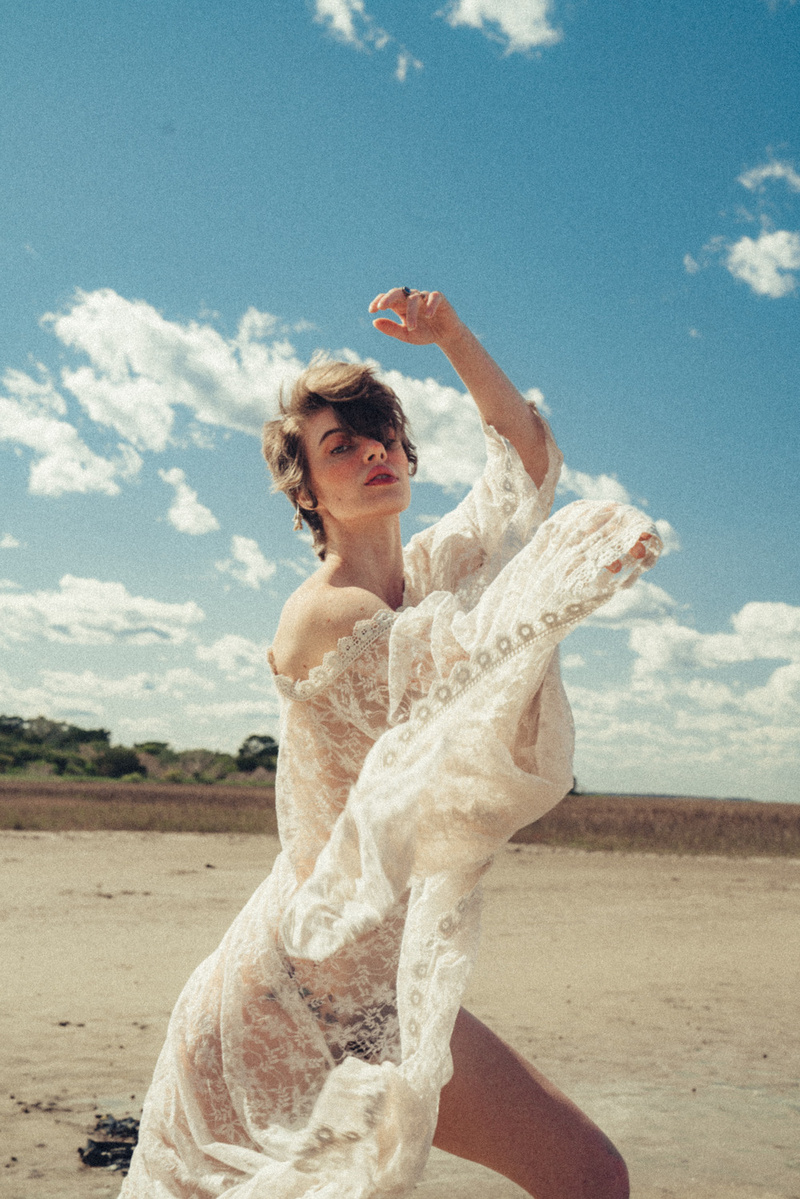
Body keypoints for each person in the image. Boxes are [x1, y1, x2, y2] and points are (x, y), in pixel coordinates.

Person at [121, 288, 660, 1199]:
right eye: (342, 444)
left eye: (383, 434)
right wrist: (567, 565)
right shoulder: (327, 616)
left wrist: (449, 335)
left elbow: (525, 459)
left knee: (589, 1175)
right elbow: (459, 667)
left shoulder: (429, 573)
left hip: (380, 987)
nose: (373, 449)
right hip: (287, 1000)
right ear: (307, 490)